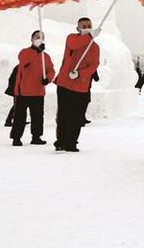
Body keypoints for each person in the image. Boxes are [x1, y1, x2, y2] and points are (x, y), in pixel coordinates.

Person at [53, 17, 100, 152]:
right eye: (83, 26)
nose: (86, 28)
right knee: (63, 115)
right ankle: (61, 141)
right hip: (65, 83)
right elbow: (74, 45)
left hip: (81, 86)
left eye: (88, 26)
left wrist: (81, 74)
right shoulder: (72, 38)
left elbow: (94, 65)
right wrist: (89, 36)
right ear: (78, 28)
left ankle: (71, 142)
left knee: (76, 116)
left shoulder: (95, 47)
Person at [10, 30, 55, 146]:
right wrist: (37, 51)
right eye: (36, 37)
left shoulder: (46, 57)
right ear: (31, 39)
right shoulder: (24, 52)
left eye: (41, 37)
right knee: (20, 117)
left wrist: (48, 79)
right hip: (22, 91)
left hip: (38, 91)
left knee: (38, 116)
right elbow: (24, 61)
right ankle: (16, 137)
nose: (38, 39)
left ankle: (36, 137)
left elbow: (51, 70)